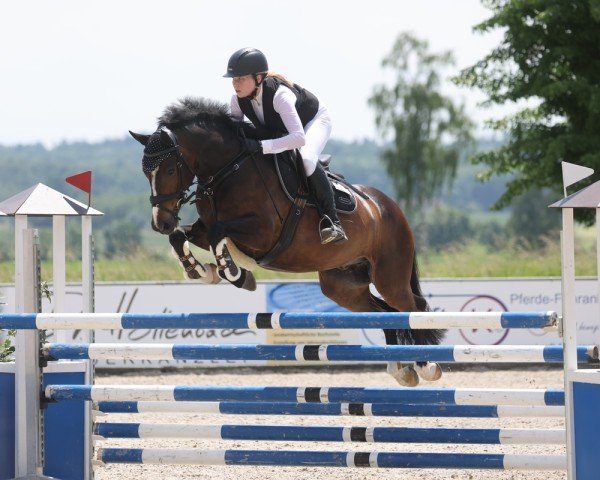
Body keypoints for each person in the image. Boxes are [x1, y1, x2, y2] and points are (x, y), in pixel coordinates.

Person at [225, 47, 347, 245]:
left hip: (313, 121)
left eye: (240, 78)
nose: (235, 84)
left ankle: (332, 222)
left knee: (306, 160)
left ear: (258, 78)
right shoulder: (237, 101)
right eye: (233, 79)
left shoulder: (279, 96)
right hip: (280, 129)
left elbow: (298, 138)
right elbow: (235, 133)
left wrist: (260, 146)